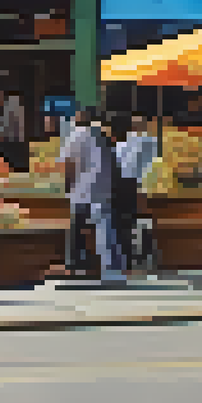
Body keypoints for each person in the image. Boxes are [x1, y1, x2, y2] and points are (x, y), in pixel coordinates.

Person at [57, 110, 126, 283]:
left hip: (81, 190)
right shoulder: (103, 137)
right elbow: (114, 163)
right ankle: (110, 267)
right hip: (102, 190)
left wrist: (67, 185)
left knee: (77, 230)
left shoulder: (75, 136)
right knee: (105, 229)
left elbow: (68, 164)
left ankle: (76, 264)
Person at [114, 113, 159, 272]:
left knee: (127, 222)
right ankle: (145, 254)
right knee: (144, 220)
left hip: (124, 185)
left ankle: (130, 257)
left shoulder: (121, 145)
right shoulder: (152, 141)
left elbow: (118, 164)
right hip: (149, 185)